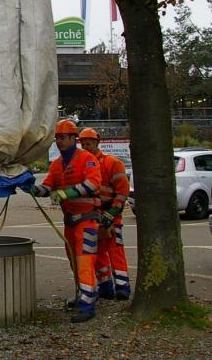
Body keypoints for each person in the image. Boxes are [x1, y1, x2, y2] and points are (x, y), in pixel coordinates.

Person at [25, 119, 101, 322]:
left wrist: (66, 193)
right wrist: (30, 187)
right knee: (74, 260)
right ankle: (83, 295)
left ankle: (87, 304)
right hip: (71, 221)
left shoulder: (86, 158)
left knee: (85, 260)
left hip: (87, 218)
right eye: (57, 138)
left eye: (62, 138)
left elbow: (93, 184)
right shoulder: (58, 164)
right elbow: (48, 187)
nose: (59, 142)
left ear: (73, 138)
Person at [78, 127, 131, 301]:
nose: (86, 147)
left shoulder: (112, 163)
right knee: (98, 254)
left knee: (116, 251)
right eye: (83, 144)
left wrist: (113, 211)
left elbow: (122, 192)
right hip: (93, 217)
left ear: (97, 142)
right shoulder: (83, 166)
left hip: (111, 215)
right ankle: (105, 285)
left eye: (89, 144)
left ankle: (123, 286)